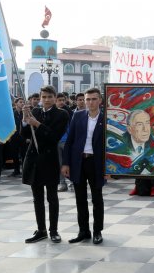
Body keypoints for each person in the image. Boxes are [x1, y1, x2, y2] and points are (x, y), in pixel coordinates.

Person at [21, 85, 70, 243]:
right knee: (37, 198)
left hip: (49, 160)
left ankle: (54, 230)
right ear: (40, 98)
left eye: (50, 97)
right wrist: (24, 119)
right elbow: (25, 134)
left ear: (55, 98)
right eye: (44, 97)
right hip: (34, 159)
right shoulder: (34, 111)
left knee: (52, 197)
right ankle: (41, 229)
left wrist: (37, 124)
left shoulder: (61, 115)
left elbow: (54, 137)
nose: (46, 100)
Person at [61, 88, 105, 245]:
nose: (90, 102)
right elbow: (70, 140)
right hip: (78, 161)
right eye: (88, 99)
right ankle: (83, 231)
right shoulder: (78, 115)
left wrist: (111, 168)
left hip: (96, 162)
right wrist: (66, 163)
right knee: (80, 198)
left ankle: (97, 231)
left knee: (97, 198)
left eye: (94, 99)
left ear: (100, 100)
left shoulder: (106, 118)